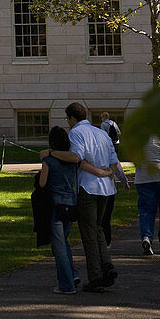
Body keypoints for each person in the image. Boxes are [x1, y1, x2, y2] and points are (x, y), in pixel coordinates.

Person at [39, 126, 112, 294]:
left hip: (56, 204)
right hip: (71, 204)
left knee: (58, 246)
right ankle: (72, 274)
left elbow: (43, 183)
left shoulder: (49, 161)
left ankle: (66, 284)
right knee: (63, 241)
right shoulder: (72, 162)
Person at [65, 101, 129, 292]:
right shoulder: (101, 133)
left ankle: (95, 276)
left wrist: (97, 173)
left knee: (88, 232)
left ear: (72, 118)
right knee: (98, 227)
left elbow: (78, 159)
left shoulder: (76, 133)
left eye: (68, 119)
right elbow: (113, 160)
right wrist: (109, 174)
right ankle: (106, 265)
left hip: (88, 186)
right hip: (107, 189)